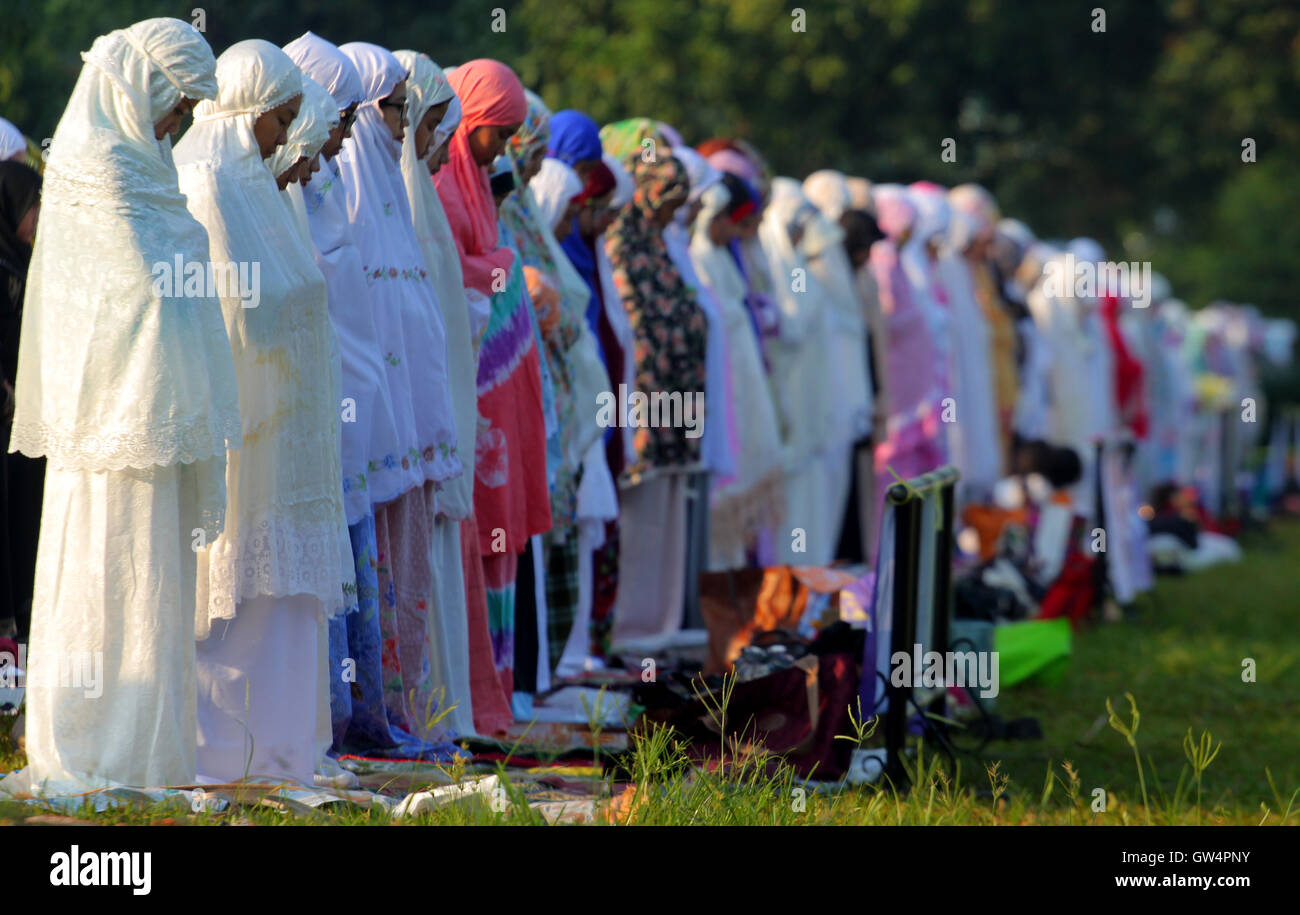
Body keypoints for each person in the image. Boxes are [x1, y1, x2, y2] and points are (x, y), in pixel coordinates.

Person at [6, 18, 239, 794]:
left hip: (155, 416)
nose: (180, 122)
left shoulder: (145, 162)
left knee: (149, 581)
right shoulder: (95, 162)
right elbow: (127, 291)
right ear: (146, 85)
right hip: (111, 418)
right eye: (178, 102)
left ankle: (147, 749)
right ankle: (99, 742)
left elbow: (175, 277)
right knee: (107, 574)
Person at [175, 38, 352, 785]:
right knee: (233, 593)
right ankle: (222, 755)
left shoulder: (254, 193)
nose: (284, 137)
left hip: (286, 439)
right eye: (278, 119)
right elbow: (224, 314)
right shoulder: (208, 183)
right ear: (245, 110)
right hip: (240, 432)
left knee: (279, 593)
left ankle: (280, 750)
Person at [337, 41, 461, 753]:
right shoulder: (348, 191)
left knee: (405, 579)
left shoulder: (392, 196)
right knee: (372, 582)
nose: (402, 128)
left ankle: (401, 715)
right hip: (368, 438)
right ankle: (364, 718)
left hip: (403, 438)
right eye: (397, 111)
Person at [434, 59, 550, 710]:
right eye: (495, 133)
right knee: (468, 537)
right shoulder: (446, 186)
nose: (501, 148)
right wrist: (500, 265)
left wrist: (497, 265)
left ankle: (496, 686)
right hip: (465, 391)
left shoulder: (476, 181)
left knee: (499, 536)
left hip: (495, 398)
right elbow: (451, 273)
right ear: (468, 120)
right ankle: (466, 694)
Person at [393, 47, 487, 738]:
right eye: (427, 126)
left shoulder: (415, 196)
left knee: (432, 565)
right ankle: (412, 711)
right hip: (397, 423)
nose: (433, 145)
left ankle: (440, 709)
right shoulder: (389, 197)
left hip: (432, 417)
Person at [603, 152, 708, 650]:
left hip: (679, 401)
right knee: (641, 511)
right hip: (646, 402)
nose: (673, 212)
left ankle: (658, 627)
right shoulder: (622, 242)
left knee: (669, 506)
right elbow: (634, 327)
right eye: (669, 200)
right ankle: (632, 629)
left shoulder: (659, 244)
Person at [689, 172, 784, 570]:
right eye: (728, 221)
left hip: (741, 391)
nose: (733, 231)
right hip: (713, 396)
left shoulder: (723, 259)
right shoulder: (696, 257)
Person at [0, 161, 42, 642]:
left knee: (25, 544)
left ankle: (17, 686)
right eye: (34, 207)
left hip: (25, 434)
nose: (39, 218)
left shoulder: (29, 266)